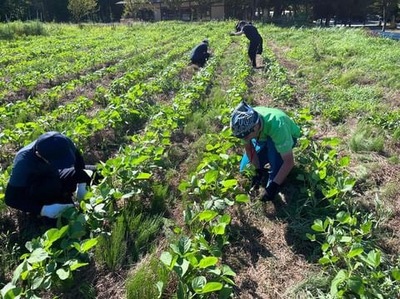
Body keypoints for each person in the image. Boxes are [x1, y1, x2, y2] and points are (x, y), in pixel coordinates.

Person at [4, 131, 96, 219]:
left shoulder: (62, 141)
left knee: (95, 171)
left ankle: (64, 194)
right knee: (52, 187)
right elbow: (11, 199)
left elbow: (78, 160)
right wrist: (43, 210)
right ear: (39, 155)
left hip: (56, 174)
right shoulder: (23, 162)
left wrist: (81, 184)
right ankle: (51, 207)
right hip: (37, 185)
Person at [230, 101, 301, 202]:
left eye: (246, 137)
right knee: (245, 169)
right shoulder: (242, 128)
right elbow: (249, 148)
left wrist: (273, 186)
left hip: (284, 135)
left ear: (255, 127)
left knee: (274, 159)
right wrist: (258, 170)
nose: (244, 139)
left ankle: (276, 179)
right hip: (261, 137)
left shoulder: (278, 124)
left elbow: (289, 162)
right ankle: (265, 171)